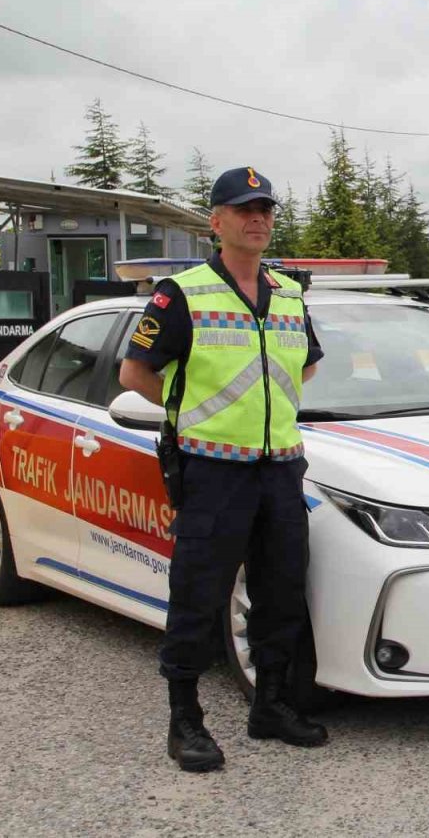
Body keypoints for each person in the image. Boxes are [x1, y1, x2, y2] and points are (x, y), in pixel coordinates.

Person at [120, 166, 328, 772]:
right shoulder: (182, 294)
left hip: (281, 470)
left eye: (264, 209)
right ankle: (185, 721)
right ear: (216, 223)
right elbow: (135, 375)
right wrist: (197, 413)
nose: (256, 218)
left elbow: (306, 365)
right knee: (198, 596)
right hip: (212, 472)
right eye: (243, 209)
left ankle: (270, 706)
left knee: (280, 593)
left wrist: (266, 409)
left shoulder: (289, 293)